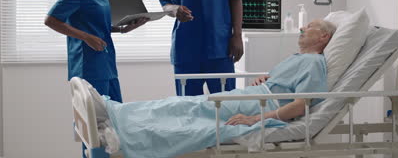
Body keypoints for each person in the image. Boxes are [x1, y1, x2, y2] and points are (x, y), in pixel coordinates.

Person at [95, 19, 336, 158]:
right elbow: (287, 86)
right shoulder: (298, 58)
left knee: (187, 110)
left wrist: (255, 118)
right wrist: (267, 79)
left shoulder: (314, 63)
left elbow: (300, 105)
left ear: (323, 37)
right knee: (183, 105)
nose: (303, 27)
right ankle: (117, 115)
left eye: (310, 26)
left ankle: (123, 133)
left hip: (260, 105)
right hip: (255, 96)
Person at [44, 0, 148, 158]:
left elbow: (95, 24)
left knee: (114, 124)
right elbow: (51, 20)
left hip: (106, 63)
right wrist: (86, 37)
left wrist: (122, 29)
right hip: (88, 67)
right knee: (95, 130)